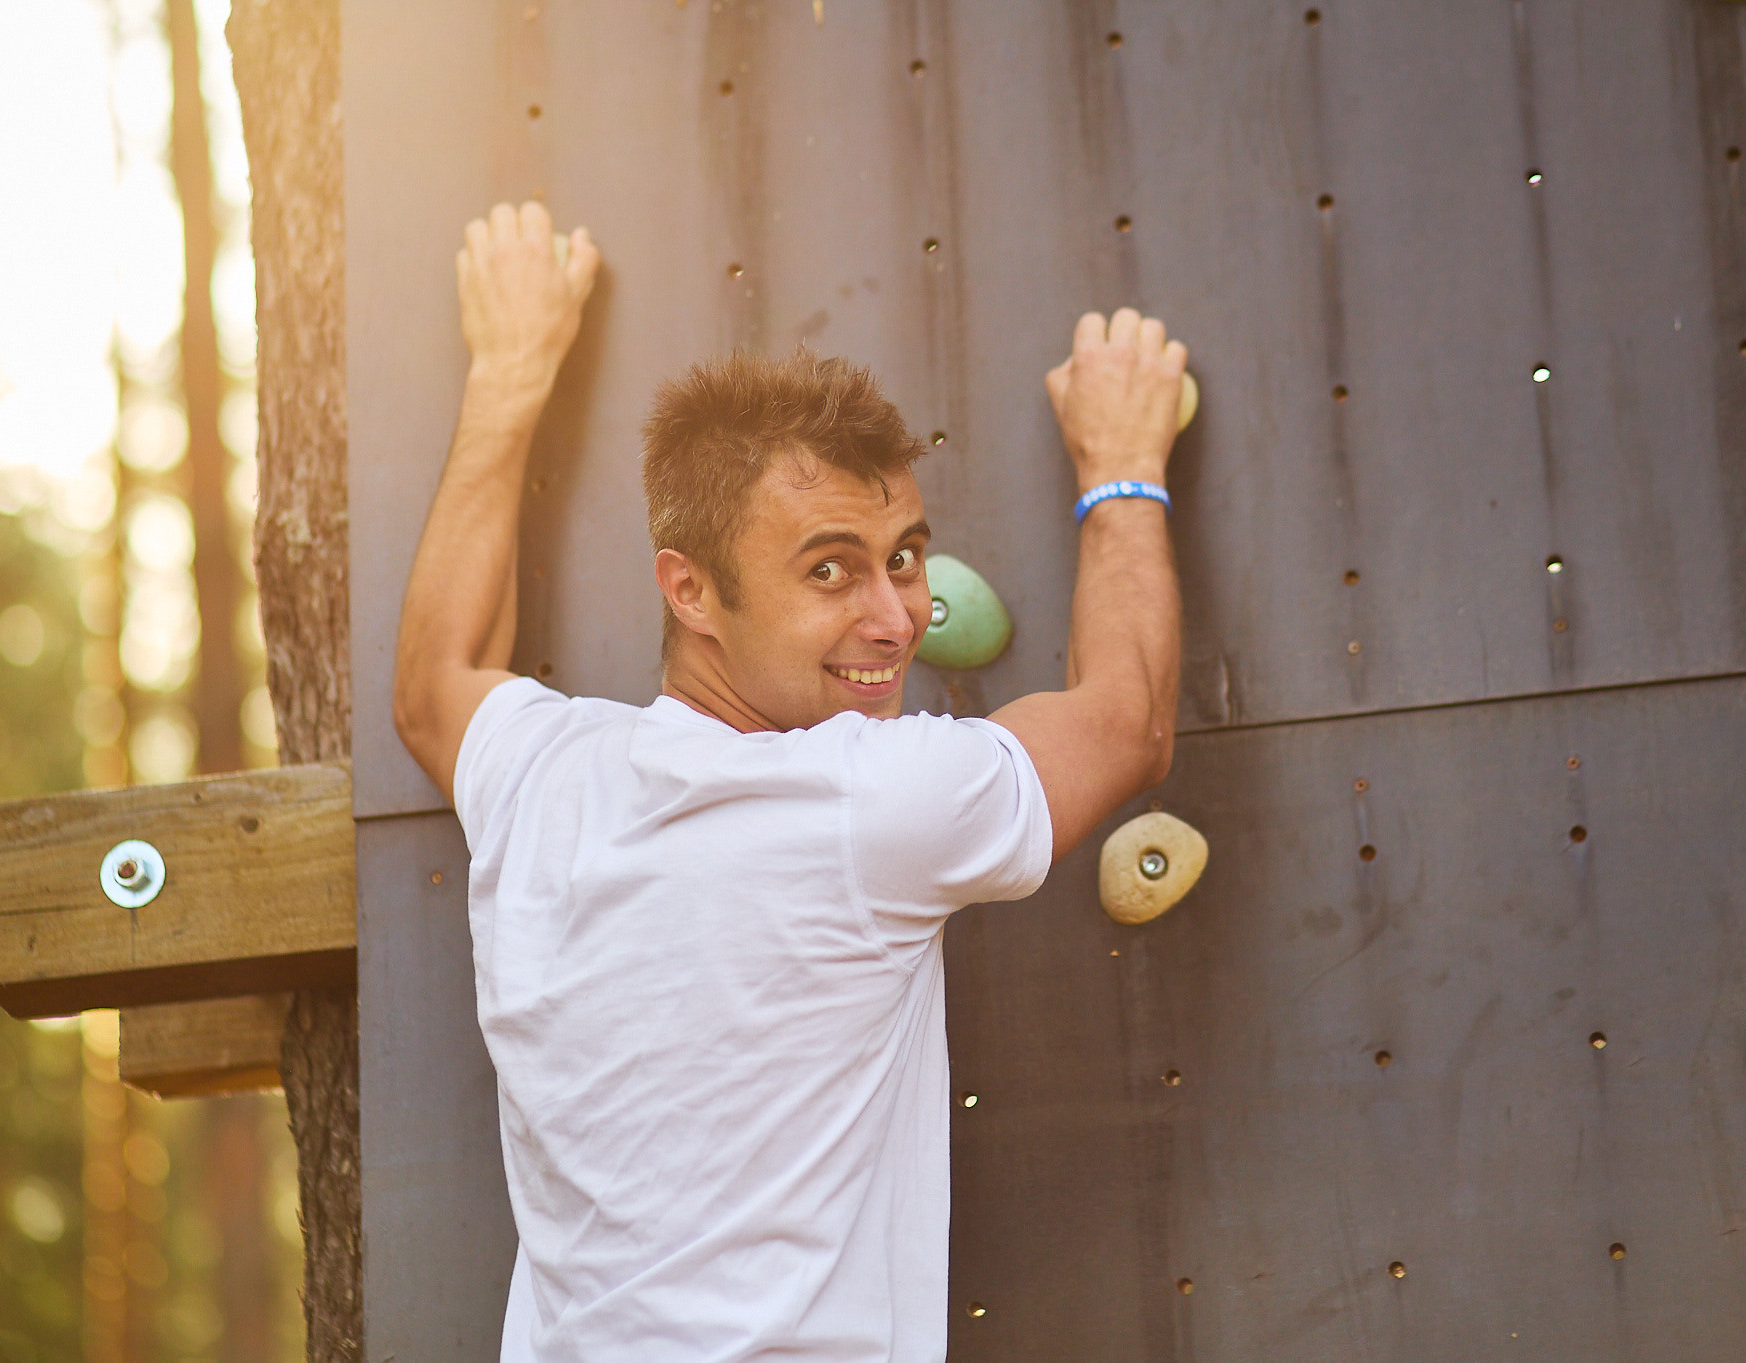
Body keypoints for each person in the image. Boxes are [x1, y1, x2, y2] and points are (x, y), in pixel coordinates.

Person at [392, 201, 1187, 1362]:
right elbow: (1128, 722)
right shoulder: (875, 801)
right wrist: (1121, 468)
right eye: (830, 570)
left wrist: (512, 366)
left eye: (903, 557)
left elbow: (433, 682)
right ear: (692, 592)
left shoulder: (541, 779)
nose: (895, 617)